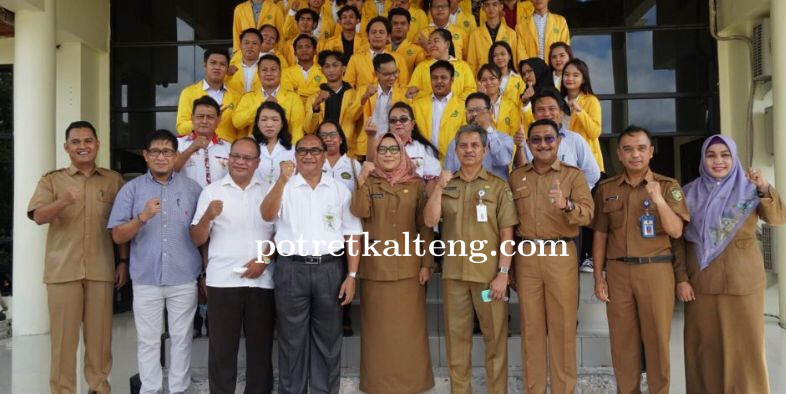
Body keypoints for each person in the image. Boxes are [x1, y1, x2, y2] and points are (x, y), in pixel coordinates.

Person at [674, 135, 785, 393]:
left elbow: (778, 217)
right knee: (704, 349)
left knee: (746, 351)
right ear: (703, 159)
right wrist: (681, 277)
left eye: (725, 155)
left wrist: (765, 188)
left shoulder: (750, 189)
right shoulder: (688, 192)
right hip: (701, 284)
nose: (718, 161)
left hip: (743, 283)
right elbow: (678, 240)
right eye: (711, 155)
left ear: (733, 158)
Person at [27, 121, 127, 394]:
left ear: (97, 144)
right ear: (66, 147)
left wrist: (123, 262)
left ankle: (98, 388)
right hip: (63, 271)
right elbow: (38, 216)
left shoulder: (113, 180)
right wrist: (63, 202)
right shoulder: (52, 180)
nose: (83, 146)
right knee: (63, 342)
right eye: (76, 142)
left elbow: (121, 225)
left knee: (100, 340)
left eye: (88, 141)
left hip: (102, 269)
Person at [590, 125, 690, 394]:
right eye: (628, 149)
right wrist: (599, 276)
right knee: (623, 344)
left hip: (655, 272)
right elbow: (600, 234)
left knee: (657, 341)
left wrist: (658, 199)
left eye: (641, 148)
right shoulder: (606, 189)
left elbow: (677, 231)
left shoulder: (668, 187)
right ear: (619, 154)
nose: (635, 154)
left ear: (651, 152)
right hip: (619, 272)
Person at [261, 134, 363, 394]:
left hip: (330, 269)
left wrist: (351, 275)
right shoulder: (284, 186)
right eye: (302, 151)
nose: (308, 155)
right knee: (291, 341)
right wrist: (282, 181)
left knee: (328, 342)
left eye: (314, 150)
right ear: (295, 156)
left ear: (324, 154)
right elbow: (267, 214)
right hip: (291, 269)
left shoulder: (339, 190)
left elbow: (352, 234)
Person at [424, 125, 518, 394]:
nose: (469, 150)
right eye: (463, 146)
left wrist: (503, 274)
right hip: (455, 279)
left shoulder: (497, 187)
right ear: (456, 150)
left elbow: (507, 233)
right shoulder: (447, 184)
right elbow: (430, 220)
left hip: (489, 282)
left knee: (495, 340)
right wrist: (439, 188)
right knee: (457, 342)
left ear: (484, 150)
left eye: (474, 145)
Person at [108, 130, 203, 394]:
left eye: (167, 151)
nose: (161, 157)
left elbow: (203, 233)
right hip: (146, 279)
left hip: (184, 277)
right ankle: (150, 390)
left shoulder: (193, 189)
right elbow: (117, 235)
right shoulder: (132, 190)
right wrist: (142, 217)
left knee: (182, 340)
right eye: (156, 152)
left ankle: (178, 389)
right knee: (148, 341)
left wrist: (204, 274)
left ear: (175, 156)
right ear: (146, 156)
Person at [509, 118, 593, 393]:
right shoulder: (517, 176)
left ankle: (563, 389)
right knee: (531, 329)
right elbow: (508, 223)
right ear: (529, 144)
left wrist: (566, 205)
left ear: (558, 141)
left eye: (548, 138)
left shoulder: (573, 175)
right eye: (536, 140)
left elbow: (588, 214)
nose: (543, 144)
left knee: (563, 328)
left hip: (560, 254)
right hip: (527, 256)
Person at [190, 137, 276, 393]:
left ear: (257, 163)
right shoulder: (212, 191)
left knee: (260, 350)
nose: (240, 162)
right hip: (222, 281)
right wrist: (208, 216)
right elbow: (197, 238)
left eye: (247, 158)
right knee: (222, 352)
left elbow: (281, 234)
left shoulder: (269, 191)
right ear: (228, 158)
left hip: (261, 281)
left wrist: (263, 260)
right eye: (236, 156)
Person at [351, 132, 435, 393]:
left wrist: (426, 264)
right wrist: (361, 181)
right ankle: (377, 383)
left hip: (410, 269)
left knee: (409, 332)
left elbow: (425, 227)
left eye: (393, 149)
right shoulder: (369, 182)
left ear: (403, 153)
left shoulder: (417, 184)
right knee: (378, 334)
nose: (388, 154)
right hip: (375, 268)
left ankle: (414, 382)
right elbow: (359, 212)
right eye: (383, 149)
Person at [514, 89, 600, 190]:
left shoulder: (575, 140)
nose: (546, 114)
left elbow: (592, 174)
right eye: (541, 110)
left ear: (560, 112)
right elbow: (521, 175)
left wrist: (575, 194)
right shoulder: (526, 143)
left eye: (552, 108)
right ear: (533, 115)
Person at [233, 54, 306, 141]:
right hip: (255, 148)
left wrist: (292, 151)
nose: (269, 73)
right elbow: (238, 123)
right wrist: (261, 106)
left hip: (284, 147)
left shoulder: (293, 97)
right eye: (264, 70)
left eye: (273, 69)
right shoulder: (248, 98)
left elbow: (297, 129)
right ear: (258, 74)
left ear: (280, 72)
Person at [304, 50, 363, 156]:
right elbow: (309, 129)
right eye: (327, 66)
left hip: (348, 151)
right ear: (322, 70)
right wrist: (316, 106)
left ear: (344, 68)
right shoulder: (314, 97)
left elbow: (357, 122)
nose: (331, 70)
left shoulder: (355, 95)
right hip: (321, 152)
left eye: (335, 65)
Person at [176, 48, 241, 141]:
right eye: (213, 63)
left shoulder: (236, 96)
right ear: (205, 65)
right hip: (197, 149)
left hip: (228, 151)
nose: (217, 67)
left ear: (227, 68)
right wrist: (206, 121)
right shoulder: (188, 93)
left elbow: (241, 130)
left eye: (222, 64)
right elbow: (181, 127)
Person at [444, 92, 513, 179]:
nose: (474, 114)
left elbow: (503, 160)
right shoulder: (455, 143)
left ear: (490, 112)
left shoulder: (504, 139)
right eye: (470, 111)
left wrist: (488, 129)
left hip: (494, 191)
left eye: (479, 110)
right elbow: (447, 176)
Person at [366, 101, 441, 182]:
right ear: (389, 125)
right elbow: (370, 165)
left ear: (412, 124)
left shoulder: (424, 148)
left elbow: (433, 180)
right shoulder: (381, 144)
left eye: (403, 119)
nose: (398, 123)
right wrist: (371, 136)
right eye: (393, 120)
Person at [412, 60, 467, 157]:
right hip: (424, 160)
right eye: (434, 78)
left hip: (453, 161)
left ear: (452, 79)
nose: (439, 81)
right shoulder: (417, 105)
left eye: (443, 77)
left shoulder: (463, 106)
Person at [174, 96, 231, 188]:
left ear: (218, 119)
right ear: (192, 118)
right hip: (186, 200)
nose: (204, 121)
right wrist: (190, 149)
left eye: (210, 117)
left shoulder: (229, 148)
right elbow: (168, 173)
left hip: (220, 200)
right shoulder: (177, 144)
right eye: (200, 116)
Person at [407, 28, 476, 101]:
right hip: (428, 110)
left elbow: (471, 90)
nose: (432, 45)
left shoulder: (463, 66)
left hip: (457, 110)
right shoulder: (421, 67)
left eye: (436, 41)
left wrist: (454, 102)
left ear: (447, 44)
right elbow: (413, 91)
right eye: (429, 42)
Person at [345, 16, 410, 92]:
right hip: (364, 102)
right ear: (368, 36)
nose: (377, 35)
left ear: (388, 36)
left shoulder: (399, 59)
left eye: (381, 32)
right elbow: (348, 86)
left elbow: (404, 87)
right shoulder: (355, 59)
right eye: (373, 32)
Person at [561, 58, 603, 171]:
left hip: (588, 163)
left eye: (575, 75)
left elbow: (595, 132)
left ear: (583, 79)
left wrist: (579, 111)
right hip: (564, 162)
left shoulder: (591, 101)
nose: (570, 78)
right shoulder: (558, 102)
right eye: (566, 74)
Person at [361, 53, 409, 138]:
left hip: (393, 144)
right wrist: (365, 97)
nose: (392, 77)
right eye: (387, 74)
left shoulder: (403, 92)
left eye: (395, 72)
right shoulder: (363, 90)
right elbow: (352, 116)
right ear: (376, 74)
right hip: (368, 143)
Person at [252, 101, 296, 190]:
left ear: (282, 124)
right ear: (257, 123)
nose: (269, 124)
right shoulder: (250, 148)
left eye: (275, 119)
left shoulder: (293, 150)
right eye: (264, 119)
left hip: (283, 198)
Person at [466, 0, 518, 74]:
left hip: (506, 81)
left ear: (501, 7)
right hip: (484, 81)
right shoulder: (475, 35)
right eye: (487, 5)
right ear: (483, 8)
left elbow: (514, 63)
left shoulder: (511, 34)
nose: (491, 8)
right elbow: (471, 64)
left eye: (495, 4)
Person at [476, 63, 522, 136]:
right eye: (484, 80)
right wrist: (480, 101)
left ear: (500, 80)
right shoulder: (475, 106)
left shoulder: (511, 105)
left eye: (492, 78)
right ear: (479, 83)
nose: (488, 82)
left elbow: (515, 133)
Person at [282, 34, 327, 106]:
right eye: (300, 47)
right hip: (294, 110)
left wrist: (298, 90)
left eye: (307, 46)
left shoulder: (324, 71)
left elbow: (325, 92)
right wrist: (316, 91)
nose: (304, 50)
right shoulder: (285, 73)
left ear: (315, 51)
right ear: (295, 53)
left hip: (318, 111)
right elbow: (288, 94)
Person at [318, 120, 363, 192]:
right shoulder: (313, 164)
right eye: (323, 135)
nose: (328, 139)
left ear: (341, 139)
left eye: (333, 135)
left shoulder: (354, 165)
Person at [388, 7, 427, 75]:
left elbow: (423, 71)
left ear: (408, 27)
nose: (399, 26)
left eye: (403, 24)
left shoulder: (416, 49)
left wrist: (427, 47)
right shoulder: (381, 46)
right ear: (388, 25)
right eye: (395, 23)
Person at [226, 28, 264, 94]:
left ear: (261, 46)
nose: (250, 46)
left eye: (254, 43)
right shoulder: (229, 70)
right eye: (246, 43)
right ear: (240, 45)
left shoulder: (267, 70)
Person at [517, 56, 550, 128]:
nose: (526, 76)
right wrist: (525, 101)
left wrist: (528, 103)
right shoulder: (524, 95)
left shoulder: (551, 94)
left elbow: (539, 124)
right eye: (524, 74)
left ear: (539, 70)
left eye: (529, 71)